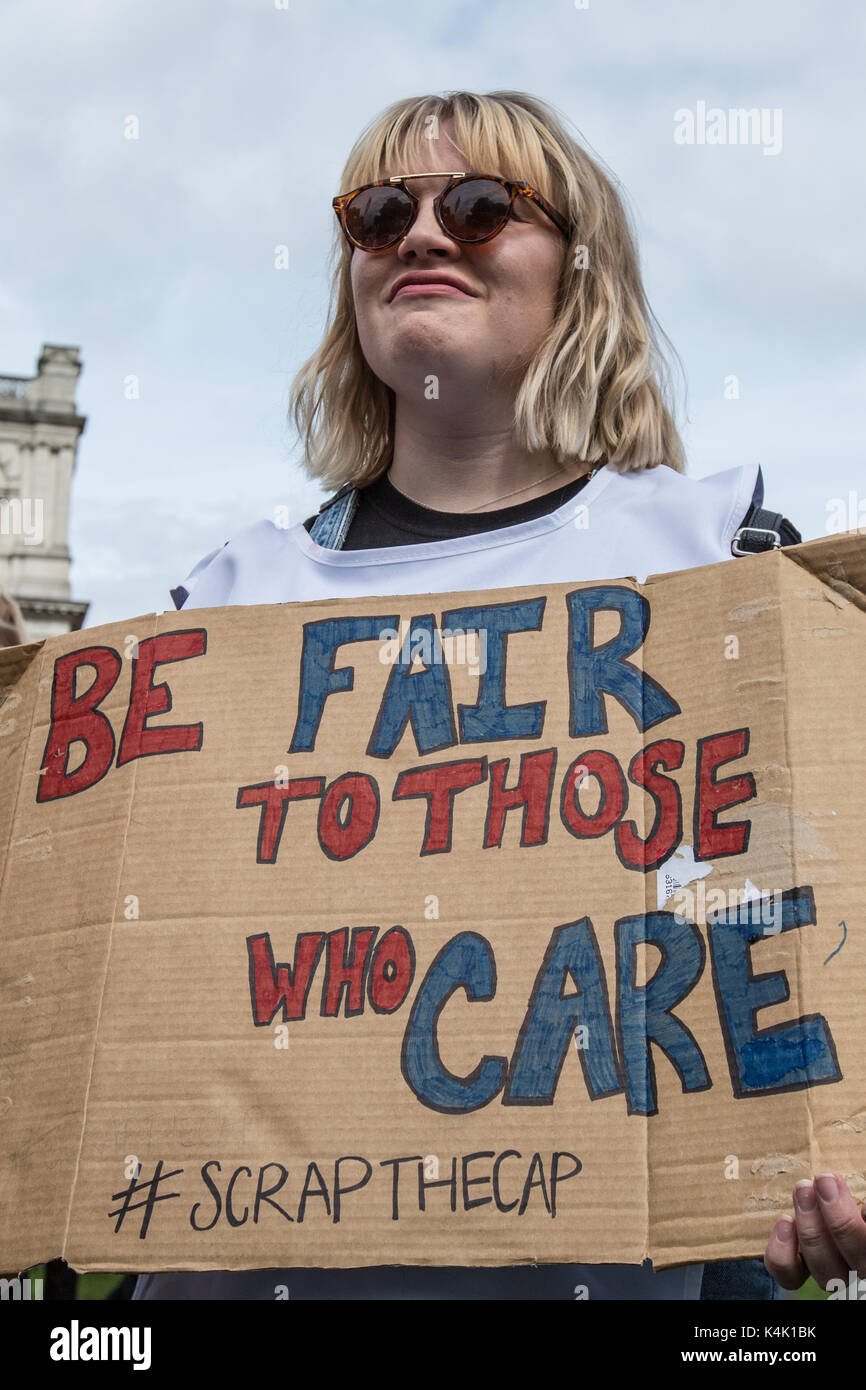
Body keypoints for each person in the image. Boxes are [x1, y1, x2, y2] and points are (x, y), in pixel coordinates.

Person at [134, 90, 859, 1301]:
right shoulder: (224, 600)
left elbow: (800, 926)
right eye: (377, 214)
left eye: (477, 207)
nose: (421, 235)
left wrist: (826, 1157)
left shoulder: (716, 558)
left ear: (579, 270)